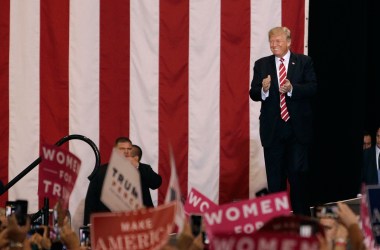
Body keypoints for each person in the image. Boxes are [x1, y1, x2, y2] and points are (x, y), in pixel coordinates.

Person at [249, 26, 317, 216]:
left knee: (297, 177)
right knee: (275, 182)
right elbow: (253, 93)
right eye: (271, 41)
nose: (274, 44)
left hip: (297, 131)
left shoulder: (304, 62)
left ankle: (302, 222)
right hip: (273, 132)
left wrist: (292, 89)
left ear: (288, 42)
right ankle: (277, 224)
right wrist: (263, 89)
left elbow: (313, 87)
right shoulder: (261, 64)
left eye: (278, 41)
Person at [83, 137, 162, 225]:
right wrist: (89, 226)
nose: (126, 152)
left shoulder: (142, 168)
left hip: (139, 224)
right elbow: (91, 201)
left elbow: (156, 183)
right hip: (111, 224)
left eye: (129, 149)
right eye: (122, 149)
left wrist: (137, 165)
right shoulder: (101, 172)